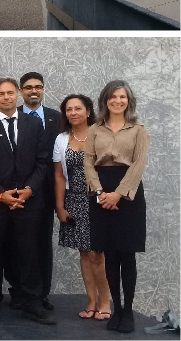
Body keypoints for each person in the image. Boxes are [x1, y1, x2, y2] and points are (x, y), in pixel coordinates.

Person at [0, 78, 54, 326]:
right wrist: (1, 194)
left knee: (28, 255)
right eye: (1, 94)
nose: (6, 97)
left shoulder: (33, 123)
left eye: (10, 93)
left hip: (28, 203)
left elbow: (42, 162)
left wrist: (28, 190)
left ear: (17, 95)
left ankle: (32, 303)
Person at [84, 80, 149, 333]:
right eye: (113, 97)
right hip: (101, 192)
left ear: (128, 100)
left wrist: (118, 194)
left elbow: (139, 164)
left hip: (128, 194)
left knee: (127, 254)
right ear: (105, 100)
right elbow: (88, 163)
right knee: (109, 253)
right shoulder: (94, 130)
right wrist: (101, 192)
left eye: (122, 97)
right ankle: (116, 309)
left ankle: (128, 311)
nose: (117, 101)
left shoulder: (138, 129)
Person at [54, 94, 111, 321]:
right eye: (69, 109)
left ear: (88, 111)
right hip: (74, 199)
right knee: (85, 253)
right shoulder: (61, 139)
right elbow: (58, 176)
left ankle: (105, 302)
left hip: (96, 200)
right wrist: (59, 206)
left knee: (97, 253)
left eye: (78, 108)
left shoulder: (102, 134)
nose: (74, 113)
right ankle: (91, 302)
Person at [8, 72, 61, 311]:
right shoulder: (12, 116)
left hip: (45, 192)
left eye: (38, 87)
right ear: (21, 90)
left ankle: (42, 294)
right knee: (15, 245)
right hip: (15, 193)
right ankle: (18, 291)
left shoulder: (56, 118)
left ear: (43, 89)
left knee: (41, 245)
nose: (33, 91)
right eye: (28, 87)